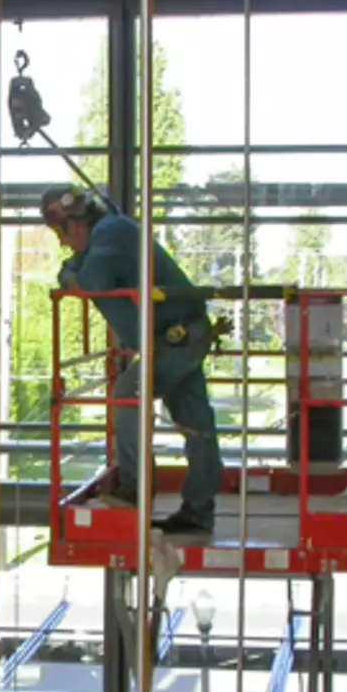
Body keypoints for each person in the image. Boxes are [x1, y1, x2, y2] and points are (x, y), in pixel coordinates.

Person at [39, 186, 223, 534]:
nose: (63, 244)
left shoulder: (112, 234)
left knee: (127, 396)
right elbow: (77, 270)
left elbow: (92, 281)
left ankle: (135, 488)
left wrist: (72, 274)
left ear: (74, 225)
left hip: (174, 340)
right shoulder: (111, 232)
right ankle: (199, 511)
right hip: (179, 336)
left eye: (59, 234)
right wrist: (72, 271)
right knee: (197, 425)